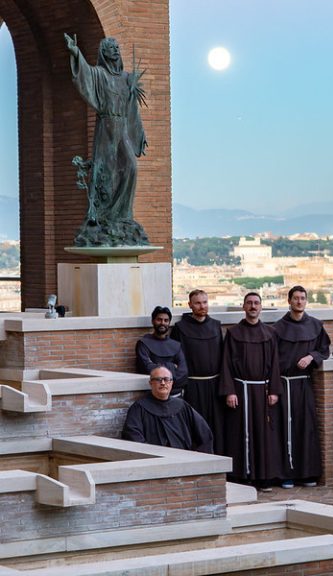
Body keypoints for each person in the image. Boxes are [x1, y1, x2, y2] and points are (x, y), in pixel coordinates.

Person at [64, 33, 149, 245]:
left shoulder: (127, 78)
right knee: (106, 171)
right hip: (107, 125)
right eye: (111, 48)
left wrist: (139, 133)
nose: (116, 51)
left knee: (131, 167)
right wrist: (76, 52)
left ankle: (122, 213)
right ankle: (103, 213)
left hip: (123, 126)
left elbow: (133, 110)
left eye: (117, 48)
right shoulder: (100, 74)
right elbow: (85, 74)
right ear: (103, 53)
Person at [219, 292, 284, 488]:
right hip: (241, 390)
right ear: (243, 306)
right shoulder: (233, 333)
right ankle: (242, 475)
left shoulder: (270, 333)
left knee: (263, 434)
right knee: (240, 432)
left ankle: (263, 476)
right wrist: (230, 391)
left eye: (256, 303)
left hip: (263, 390)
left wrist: (274, 390)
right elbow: (226, 363)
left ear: (261, 307)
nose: (253, 306)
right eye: (249, 303)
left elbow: (275, 363)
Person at [273, 285, 331, 488]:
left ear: (306, 301)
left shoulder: (315, 325)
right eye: (296, 298)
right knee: (284, 428)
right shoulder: (278, 328)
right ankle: (285, 474)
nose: (299, 301)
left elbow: (324, 349)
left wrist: (311, 356)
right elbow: (272, 359)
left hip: (304, 384)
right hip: (284, 384)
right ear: (289, 301)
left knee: (306, 427)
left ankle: (307, 473)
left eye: (302, 298)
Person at [170, 289, 225, 453]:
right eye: (198, 303)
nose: (202, 306)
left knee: (217, 427)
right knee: (195, 426)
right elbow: (175, 359)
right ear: (190, 305)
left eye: (205, 302)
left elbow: (223, 356)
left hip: (215, 386)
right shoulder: (180, 328)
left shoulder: (216, 325)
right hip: (192, 386)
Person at [122, 366, 213, 453]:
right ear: (151, 383)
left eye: (166, 379)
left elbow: (205, 434)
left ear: (171, 383)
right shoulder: (139, 408)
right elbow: (133, 436)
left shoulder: (182, 406)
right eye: (158, 379)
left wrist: (196, 456)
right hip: (155, 459)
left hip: (182, 457)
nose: (163, 383)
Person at [136, 306, 188, 397]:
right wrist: (172, 366)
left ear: (169, 323)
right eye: (159, 320)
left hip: (176, 396)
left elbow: (183, 373)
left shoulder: (176, 345)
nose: (162, 323)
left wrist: (157, 365)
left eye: (166, 320)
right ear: (153, 321)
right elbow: (147, 368)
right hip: (153, 395)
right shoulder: (143, 344)